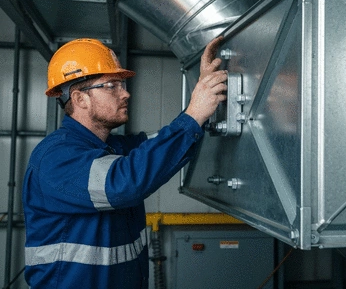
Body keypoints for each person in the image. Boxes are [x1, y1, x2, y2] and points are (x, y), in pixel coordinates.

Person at [23, 36, 226, 289]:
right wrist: (195, 113)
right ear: (79, 99)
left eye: (122, 84)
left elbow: (162, 143)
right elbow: (123, 183)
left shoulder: (113, 148)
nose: (126, 93)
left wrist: (204, 96)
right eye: (111, 85)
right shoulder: (56, 157)